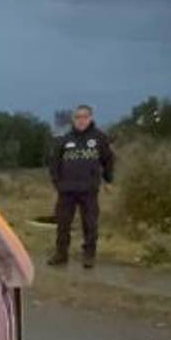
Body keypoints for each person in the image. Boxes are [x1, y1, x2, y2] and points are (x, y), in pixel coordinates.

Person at [46, 104, 114, 268]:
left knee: (90, 224)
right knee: (63, 224)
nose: (81, 120)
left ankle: (88, 255)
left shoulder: (99, 138)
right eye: (78, 117)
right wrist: (57, 182)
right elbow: (54, 162)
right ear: (73, 119)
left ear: (90, 118)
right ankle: (61, 254)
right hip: (67, 190)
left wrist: (109, 180)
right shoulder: (65, 139)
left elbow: (108, 160)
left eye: (84, 117)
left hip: (89, 189)